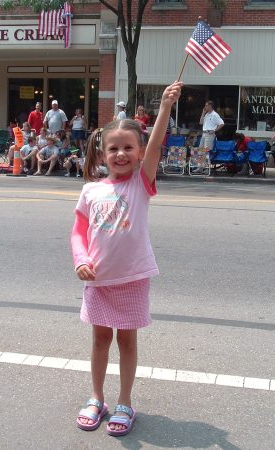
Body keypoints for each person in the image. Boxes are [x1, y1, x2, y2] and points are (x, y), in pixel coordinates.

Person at [71, 80, 183, 436]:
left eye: (128, 148)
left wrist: (164, 107)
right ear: (102, 153)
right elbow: (78, 232)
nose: (121, 154)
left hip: (132, 278)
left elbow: (155, 146)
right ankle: (96, 397)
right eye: (114, 149)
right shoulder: (91, 190)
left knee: (127, 340)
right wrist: (80, 260)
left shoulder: (141, 182)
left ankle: (125, 401)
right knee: (100, 339)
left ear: (138, 152)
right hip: (99, 279)